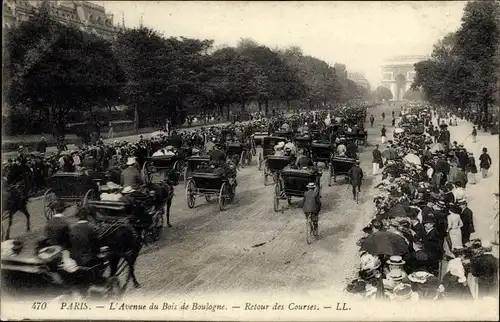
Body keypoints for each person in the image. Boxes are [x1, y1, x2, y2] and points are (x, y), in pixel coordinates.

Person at [69, 208, 102, 295]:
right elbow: (97, 244)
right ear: (87, 217)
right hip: (89, 259)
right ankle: (99, 281)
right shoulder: (92, 227)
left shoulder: (72, 228)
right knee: (102, 261)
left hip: (76, 259)